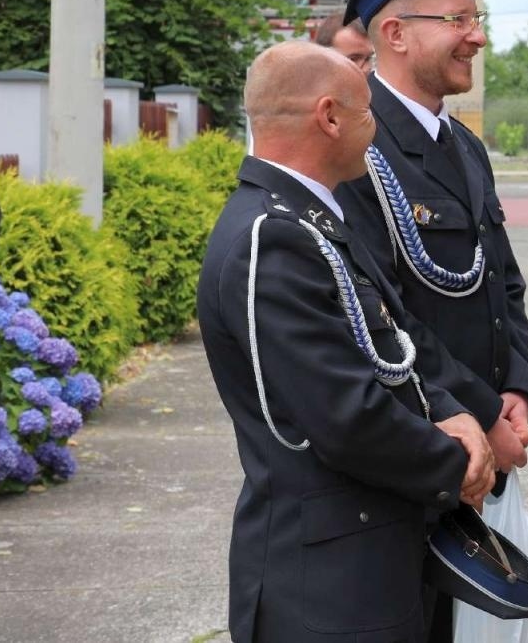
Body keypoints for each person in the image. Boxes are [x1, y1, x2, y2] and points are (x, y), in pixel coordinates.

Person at [196, 41, 495, 643]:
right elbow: (344, 415)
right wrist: (458, 463)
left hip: (372, 556)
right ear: (329, 117)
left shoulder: (312, 221)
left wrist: (453, 412)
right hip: (330, 585)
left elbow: (391, 347)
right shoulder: (271, 238)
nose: (375, 127)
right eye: (366, 111)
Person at [335, 0, 528, 643]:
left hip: (485, 447)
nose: (475, 36)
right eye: (456, 19)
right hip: (415, 452)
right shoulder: (357, 148)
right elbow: (382, 313)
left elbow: (502, 285)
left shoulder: (463, 146)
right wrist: (482, 413)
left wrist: (520, 389)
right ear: (393, 32)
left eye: (474, 18)